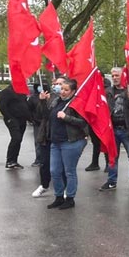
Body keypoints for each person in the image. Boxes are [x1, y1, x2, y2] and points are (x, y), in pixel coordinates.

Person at [46, 77, 88, 210]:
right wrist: (42, 101)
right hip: (56, 142)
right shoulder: (57, 101)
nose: (62, 92)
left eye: (66, 90)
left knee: (69, 171)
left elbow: (83, 122)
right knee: (54, 171)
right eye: (62, 89)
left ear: (73, 91)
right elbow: (46, 115)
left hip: (71, 142)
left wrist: (66, 117)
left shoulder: (77, 103)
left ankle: (70, 198)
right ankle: (58, 197)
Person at [100, 67, 129, 193]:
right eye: (113, 76)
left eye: (117, 75)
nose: (114, 78)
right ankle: (111, 181)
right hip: (112, 130)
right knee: (113, 157)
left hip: (127, 129)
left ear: (123, 76)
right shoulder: (108, 91)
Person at [31, 77, 65, 198]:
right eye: (55, 84)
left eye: (60, 84)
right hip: (46, 136)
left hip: (61, 137)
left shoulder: (68, 100)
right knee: (44, 163)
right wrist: (42, 101)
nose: (56, 86)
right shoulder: (49, 97)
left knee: (62, 165)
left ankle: (65, 188)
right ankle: (44, 185)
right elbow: (42, 115)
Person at [0, 84, 30, 169]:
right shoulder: (7, 91)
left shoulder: (22, 91)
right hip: (12, 119)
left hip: (22, 119)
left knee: (19, 140)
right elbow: (2, 106)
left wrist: (30, 117)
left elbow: (25, 105)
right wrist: (8, 117)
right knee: (16, 138)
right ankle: (9, 160)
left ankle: (14, 160)